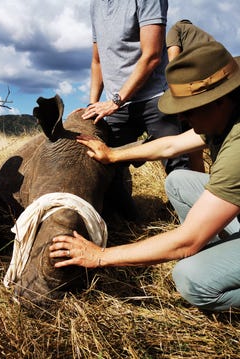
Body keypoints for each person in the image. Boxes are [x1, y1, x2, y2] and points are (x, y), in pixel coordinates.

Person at [49, 41, 240, 312]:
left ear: (218, 101)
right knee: (178, 180)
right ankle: (220, 256)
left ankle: (213, 266)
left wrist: (100, 256)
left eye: (189, 109)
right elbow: (171, 145)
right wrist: (112, 155)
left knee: (190, 278)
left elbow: (188, 240)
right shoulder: (227, 113)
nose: (183, 117)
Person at [81, 0, 188, 220]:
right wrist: (93, 104)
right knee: (106, 164)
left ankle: (187, 219)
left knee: (177, 162)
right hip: (117, 104)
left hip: (154, 96)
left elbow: (152, 55)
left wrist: (116, 100)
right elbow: (97, 60)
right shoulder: (96, 5)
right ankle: (127, 220)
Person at [166, 19, 216, 172]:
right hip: (216, 91)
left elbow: (173, 64)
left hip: (194, 92)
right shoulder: (206, 37)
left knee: (194, 150)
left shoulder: (176, 29)